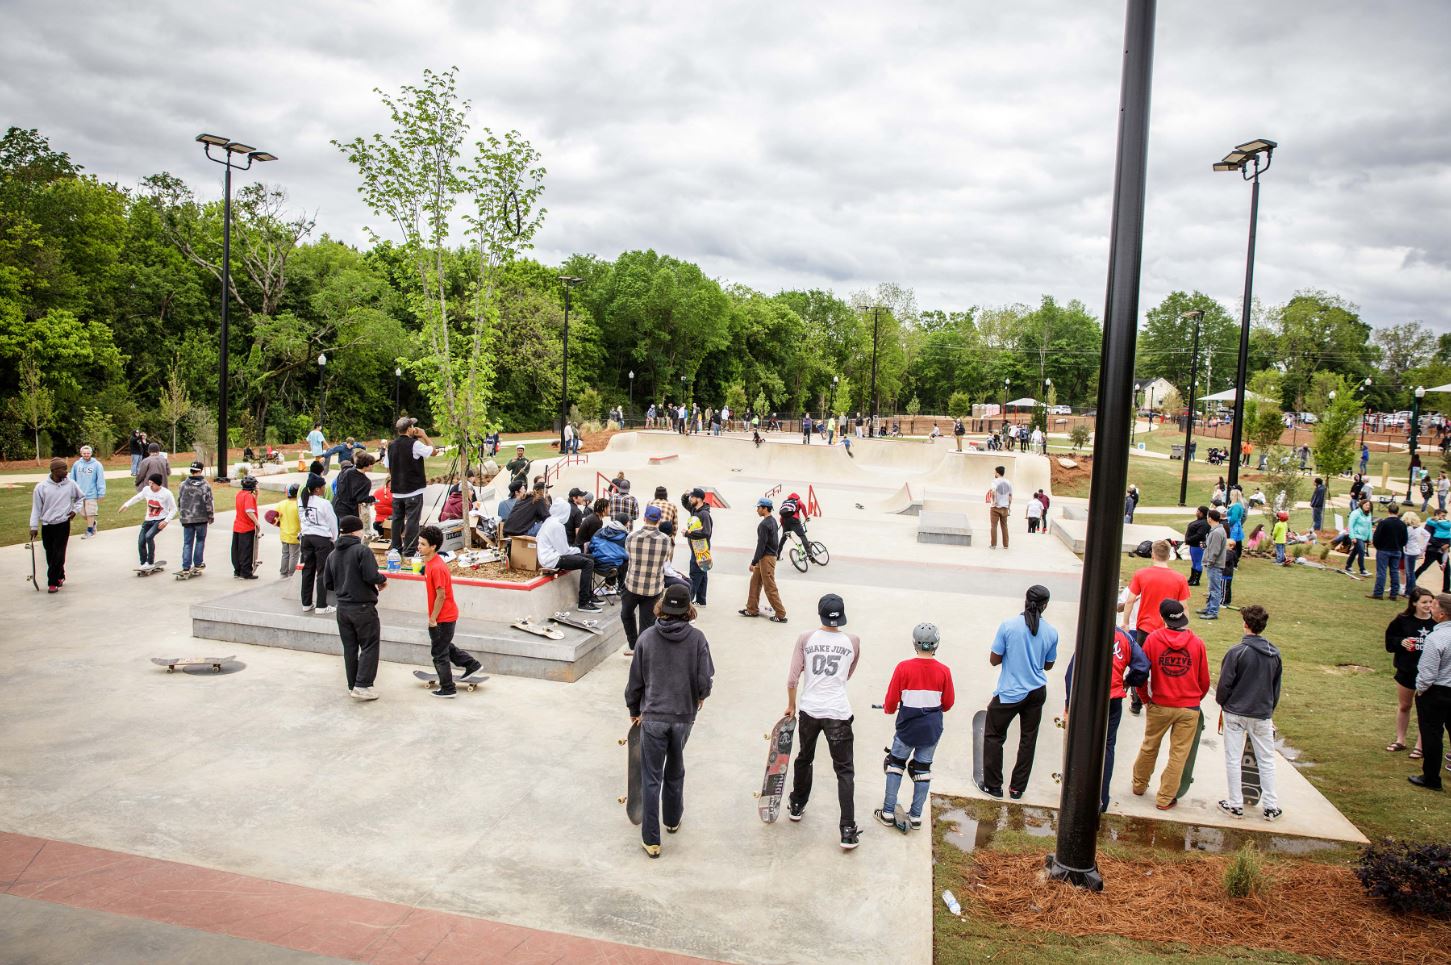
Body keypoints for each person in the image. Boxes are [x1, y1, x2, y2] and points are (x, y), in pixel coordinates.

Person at [624, 583, 715, 858]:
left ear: (661, 607)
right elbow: (705, 679)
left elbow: (635, 681)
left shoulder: (647, 638)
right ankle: (672, 819)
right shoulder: (698, 639)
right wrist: (700, 696)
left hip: (652, 717)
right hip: (683, 717)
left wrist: (633, 709)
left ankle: (652, 840)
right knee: (675, 768)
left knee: (651, 777)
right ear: (689, 609)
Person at [784, 594, 862, 849]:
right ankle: (848, 830)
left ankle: (797, 804)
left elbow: (793, 678)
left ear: (819, 614)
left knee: (805, 758)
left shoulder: (806, 638)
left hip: (810, 710)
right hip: (838, 713)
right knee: (844, 770)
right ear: (841, 616)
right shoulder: (853, 641)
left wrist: (791, 705)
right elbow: (848, 673)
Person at [1062, 618, 1150, 812]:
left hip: (1087, 700)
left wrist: (1069, 703)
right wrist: (1128, 681)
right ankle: (1101, 798)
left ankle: (1078, 793)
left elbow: (1071, 674)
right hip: (1112, 700)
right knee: (1107, 747)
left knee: (1082, 745)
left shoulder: (1088, 637)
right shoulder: (1125, 638)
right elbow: (1143, 666)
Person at [980, 586, 1058, 798]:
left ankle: (993, 785)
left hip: (1010, 692)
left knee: (994, 736)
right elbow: (1048, 665)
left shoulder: (1008, 626)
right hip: (1036, 692)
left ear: (1025, 600)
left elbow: (994, 659)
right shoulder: (1051, 632)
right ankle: (1017, 788)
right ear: (1045, 606)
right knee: (1028, 740)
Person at [1132, 600, 1210, 810]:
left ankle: (1139, 785)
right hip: (1189, 707)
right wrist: (1193, 700)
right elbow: (1204, 681)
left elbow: (1141, 674)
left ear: (1162, 617)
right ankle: (1165, 798)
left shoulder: (1153, 640)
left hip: (1160, 703)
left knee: (1149, 745)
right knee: (1179, 754)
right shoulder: (1197, 643)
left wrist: (1145, 699)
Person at [878, 623, 955, 828]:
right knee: (923, 768)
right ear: (937, 644)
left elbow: (892, 700)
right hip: (931, 729)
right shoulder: (944, 671)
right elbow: (947, 703)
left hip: (907, 727)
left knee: (895, 764)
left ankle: (887, 811)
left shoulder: (903, 667)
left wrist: (888, 708)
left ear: (914, 643)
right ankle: (916, 816)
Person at [1216, 604, 1284, 821]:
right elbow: (1276, 687)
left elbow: (1224, 684)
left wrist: (1223, 703)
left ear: (1245, 624)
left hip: (1235, 712)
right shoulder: (1274, 654)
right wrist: (1268, 710)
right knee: (1266, 760)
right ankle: (1271, 806)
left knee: (1233, 758)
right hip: (1261, 713)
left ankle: (1235, 804)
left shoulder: (1237, 651)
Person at [322, 514, 387, 700]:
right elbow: (371, 575)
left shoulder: (332, 555)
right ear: (356, 531)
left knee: (350, 648)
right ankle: (363, 685)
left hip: (342, 608)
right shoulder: (362, 550)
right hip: (363, 606)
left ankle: (353, 685)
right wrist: (382, 580)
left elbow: (328, 583)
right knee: (369, 645)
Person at [1122, 540, 1190, 712]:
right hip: (1168, 629)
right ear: (1169, 555)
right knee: (1165, 665)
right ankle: (1161, 698)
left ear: (1152, 554)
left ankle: (1137, 702)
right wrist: (1184, 628)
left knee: (1140, 665)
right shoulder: (1179, 578)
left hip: (1145, 628)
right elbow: (1184, 606)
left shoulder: (1142, 574)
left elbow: (1130, 600)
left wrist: (1125, 622)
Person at [415, 524, 482, 698]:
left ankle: (448, 688)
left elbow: (441, 595)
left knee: (439, 653)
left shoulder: (436, 567)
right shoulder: (430, 563)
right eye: (419, 543)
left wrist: (433, 619)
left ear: (433, 547)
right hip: (445, 615)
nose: (419, 546)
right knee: (444, 645)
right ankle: (472, 664)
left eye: (422, 544)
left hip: (443, 617)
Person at [1386, 587, 1435, 759]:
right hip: (1407, 670)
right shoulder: (1402, 620)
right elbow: (1389, 641)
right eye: (1424, 602)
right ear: (1414, 603)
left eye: (1430, 602)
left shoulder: (1437, 622)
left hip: (1429, 674)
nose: (1428, 605)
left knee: (1425, 710)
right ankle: (1400, 739)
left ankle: (1420, 746)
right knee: (1405, 705)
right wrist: (1402, 642)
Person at [1411, 592, 1451, 791]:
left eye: (1433, 606)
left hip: (1436, 692)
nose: (1430, 608)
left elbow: (1428, 672)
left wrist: (1420, 689)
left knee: (1432, 734)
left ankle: (1431, 778)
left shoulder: (1436, 638)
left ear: (1442, 614)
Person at [387, 417, 443, 557]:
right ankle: (409, 551)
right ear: (410, 429)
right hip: (413, 490)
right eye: (413, 426)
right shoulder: (414, 445)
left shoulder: (391, 445)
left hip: (397, 491)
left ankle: (395, 548)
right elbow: (434, 452)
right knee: (412, 521)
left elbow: (389, 467)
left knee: (397, 520)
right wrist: (424, 435)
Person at [622, 505, 672, 654]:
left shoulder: (631, 536)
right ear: (658, 521)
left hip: (632, 584)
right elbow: (665, 560)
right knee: (647, 622)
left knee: (626, 614)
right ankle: (642, 651)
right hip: (653, 587)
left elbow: (628, 555)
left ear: (644, 518)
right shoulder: (665, 540)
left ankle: (633, 644)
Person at [536, 499, 602, 612]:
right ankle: (584, 602)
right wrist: (577, 550)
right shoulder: (557, 526)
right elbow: (564, 550)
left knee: (589, 558)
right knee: (588, 562)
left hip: (549, 556)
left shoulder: (549, 521)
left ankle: (590, 595)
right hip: (553, 559)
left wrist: (577, 552)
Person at [29, 458, 83, 592]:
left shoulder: (71, 484)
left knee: (59, 552)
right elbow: (36, 508)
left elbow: (80, 497)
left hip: (63, 524)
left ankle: (52, 582)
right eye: (63, 469)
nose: (66, 471)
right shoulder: (41, 487)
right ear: (53, 471)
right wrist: (33, 526)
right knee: (50, 552)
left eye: (66, 468)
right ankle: (60, 575)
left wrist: (75, 510)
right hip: (47, 525)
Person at [741, 498, 787, 622]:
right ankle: (751, 609)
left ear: (765, 508)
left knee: (769, 587)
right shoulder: (772, 521)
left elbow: (761, 545)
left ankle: (780, 614)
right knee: (754, 583)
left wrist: (753, 562)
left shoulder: (764, 524)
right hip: (766, 557)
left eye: (758, 508)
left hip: (766, 558)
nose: (757, 510)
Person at [119, 473, 176, 571]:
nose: (150, 485)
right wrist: (126, 505)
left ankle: (150, 562)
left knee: (149, 536)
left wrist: (166, 521)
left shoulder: (166, 493)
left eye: (152, 483)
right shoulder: (146, 490)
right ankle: (143, 563)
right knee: (141, 541)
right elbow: (137, 497)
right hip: (148, 520)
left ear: (158, 484)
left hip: (160, 520)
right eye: (149, 483)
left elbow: (174, 509)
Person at [299, 473, 339, 613]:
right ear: (317, 489)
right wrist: (335, 539)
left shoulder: (301, 500)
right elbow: (332, 523)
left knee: (308, 570)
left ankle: (306, 603)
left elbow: (301, 519)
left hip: (306, 538)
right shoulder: (324, 503)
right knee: (322, 572)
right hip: (321, 539)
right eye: (323, 486)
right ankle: (321, 605)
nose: (324, 489)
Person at [176, 461, 214, 576]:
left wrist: (182, 515)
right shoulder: (205, 485)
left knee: (187, 543)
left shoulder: (183, 485)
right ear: (201, 471)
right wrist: (211, 516)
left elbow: (180, 501)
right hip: (201, 518)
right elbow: (209, 502)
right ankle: (198, 563)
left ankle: (186, 566)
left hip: (187, 518)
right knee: (200, 540)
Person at [1370, 502, 1408, 601]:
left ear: (1388, 511)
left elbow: (1377, 536)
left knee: (1381, 572)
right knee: (1395, 571)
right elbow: (1405, 539)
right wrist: (1399, 546)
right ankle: (1394, 594)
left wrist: (1378, 546)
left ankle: (1378, 593)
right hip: (1396, 550)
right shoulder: (1402, 524)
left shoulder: (1384, 523)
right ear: (1397, 511)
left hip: (1384, 550)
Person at [69, 445, 106, 538]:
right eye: (84, 453)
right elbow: (72, 478)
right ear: (81, 453)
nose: (86, 455)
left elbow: (100, 479)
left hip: (91, 493)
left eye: (88, 453)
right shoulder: (77, 464)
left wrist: (101, 493)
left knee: (90, 513)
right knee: (83, 514)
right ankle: (93, 523)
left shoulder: (97, 465)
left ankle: (89, 531)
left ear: (91, 453)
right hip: (79, 494)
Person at [589, 512, 630, 593]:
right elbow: (627, 555)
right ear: (625, 523)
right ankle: (621, 587)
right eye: (628, 521)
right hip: (612, 569)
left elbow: (591, 546)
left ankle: (609, 585)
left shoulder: (600, 531)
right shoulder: (625, 537)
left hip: (596, 565)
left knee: (613, 557)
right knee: (625, 561)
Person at [1198, 508, 1227, 620]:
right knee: (1211, 588)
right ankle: (1209, 608)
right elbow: (1211, 547)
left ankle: (1213, 611)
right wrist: (1204, 546)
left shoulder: (1216, 532)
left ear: (1210, 518)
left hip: (1214, 565)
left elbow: (1215, 550)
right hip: (1213, 563)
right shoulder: (1216, 530)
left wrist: (1209, 562)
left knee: (1215, 589)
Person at [685, 488, 713, 606]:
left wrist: (688, 533)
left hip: (700, 550)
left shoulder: (704, 514)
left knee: (695, 575)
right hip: (697, 548)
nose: (690, 499)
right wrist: (685, 495)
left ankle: (688, 602)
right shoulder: (694, 510)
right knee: (703, 573)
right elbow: (685, 503)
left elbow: (706, 532)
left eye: (692, 497)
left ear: (699, 499)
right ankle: (701, 600)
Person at [229, 476, 260, 579]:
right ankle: (246, 572)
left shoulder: (240, 494)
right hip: (246, 527)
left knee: (236, 550)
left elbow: (250, 505)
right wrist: (257, 523)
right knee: (246, 551)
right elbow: (249, 510)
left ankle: (237, 571)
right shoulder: (248, 496)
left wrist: (257, 495)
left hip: (237, 526)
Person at [332, 451, 376, 520]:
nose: (373, 466)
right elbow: (361, 499)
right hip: (349, 510)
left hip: (338, 504)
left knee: (342, 528)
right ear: (367, 465)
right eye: (372, 464)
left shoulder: (347, 471)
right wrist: (372, 498)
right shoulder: (366, 482)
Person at [276, 483, 302, 578]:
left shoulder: (281, 504)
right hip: (295, 535)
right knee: (294, 555)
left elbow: (275, 519)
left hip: (284, 534)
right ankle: (291, 573)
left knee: (285, 554)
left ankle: (283, 573)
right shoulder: (299, 505)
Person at [1184, 506, 1210, 586]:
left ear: (1202, 513)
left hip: (1198, 545)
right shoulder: (1199, 521)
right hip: (1194, 544)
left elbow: (1200, 535)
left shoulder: (1204, 523)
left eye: (1198, 511)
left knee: (1198, 561)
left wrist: (1189, 539)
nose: (1196, 512)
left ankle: (1196, 580)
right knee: (1194, 562)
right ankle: (1192, 578)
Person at [1346, 498, 1372, 576]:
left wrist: (1370, 538)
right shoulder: (1355, 513)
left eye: (1369, 505)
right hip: (1356, 535)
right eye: (1366, 505)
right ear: (1361, 505)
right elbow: (1350, 525)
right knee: (1361, 551)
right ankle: (1362, 570)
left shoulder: (1369, 514)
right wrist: (1352, 536)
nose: (1368, 506)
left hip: (1364, 537)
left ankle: (1348, 566)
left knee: (1355, 551)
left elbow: (1369, 526)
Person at [1404, 511, 1427, 596]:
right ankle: (1408, 590)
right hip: (1415, 551)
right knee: (1410, 572)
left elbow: (1405, 539)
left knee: (1410, 573)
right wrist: (1422, 548)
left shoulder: (1409, 529)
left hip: (1409, 552)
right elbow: (1427, 535)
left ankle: (1410, 592)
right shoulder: (1418, 528)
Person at [777, 491, 807, 557]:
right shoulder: (798, 501)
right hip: (794, 521)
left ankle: (777, 554)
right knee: (802, 536)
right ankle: (810, 554)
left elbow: (782, 514)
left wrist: (783, 525)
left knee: (783, 538)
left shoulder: (785, 502)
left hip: (784, 521)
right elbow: (803, 506)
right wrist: (806, 517)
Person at [989, 465, 1012, 549]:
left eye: (995, 472)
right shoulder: (1008, 482)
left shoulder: (994, 481)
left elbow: (993, 492)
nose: (994, 473)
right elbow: (1010, 495)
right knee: (1004, 526)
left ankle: (993, 545)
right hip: (1005, 507)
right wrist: (1009, 506)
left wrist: (995, 502)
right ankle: (1006, 545)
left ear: (997, 473)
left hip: (995, 508)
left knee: (994, 526)